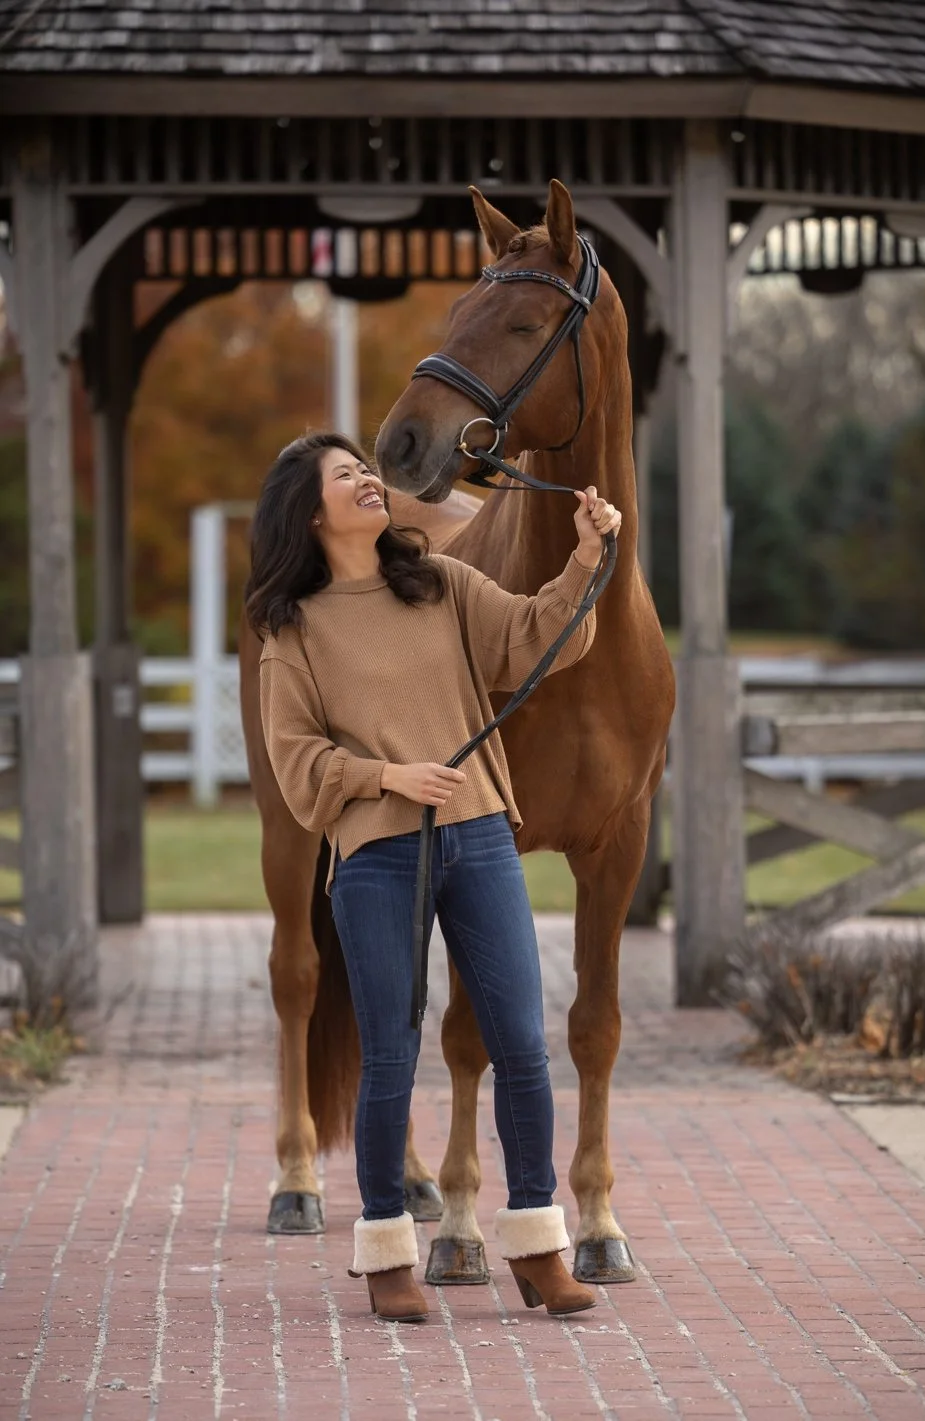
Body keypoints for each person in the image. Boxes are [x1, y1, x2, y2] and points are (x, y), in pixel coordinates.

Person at [246, 431, 620, 1323]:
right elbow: (299, 768)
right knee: (390, 1056)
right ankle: (386, 1255)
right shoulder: (291, 634)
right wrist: (388, 778)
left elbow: (537, 638)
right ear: (310, 511)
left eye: (365, 470)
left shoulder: (442, 585)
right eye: (348, 475)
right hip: (375, 857)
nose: (371, 481)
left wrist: (586, 557)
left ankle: (537, 1244)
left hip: (481, 835)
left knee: (522, 1046)